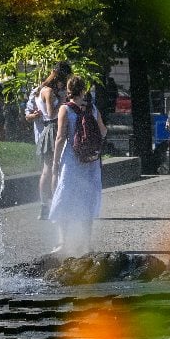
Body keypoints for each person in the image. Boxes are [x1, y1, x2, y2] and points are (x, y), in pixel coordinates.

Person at [47, 75, 106, 256]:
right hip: (90, 162)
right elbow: (103, 132)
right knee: (86, 201)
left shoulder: (65, 109)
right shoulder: (92, 108)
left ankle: (64, 242)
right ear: (83, 90)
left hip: (72, 161)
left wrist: (55, 164)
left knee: (64, 197)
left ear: (68, 89)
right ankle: (86, 245)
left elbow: (60, 137)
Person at [34, 61, 72, 215]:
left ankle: (47, 205)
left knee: (49, 169)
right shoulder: (48, 91)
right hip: (52, 128)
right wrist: (63, 101)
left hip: (51, 128)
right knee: (51, 168)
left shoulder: (42, 89)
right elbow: (51, 114)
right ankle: (50, 205)